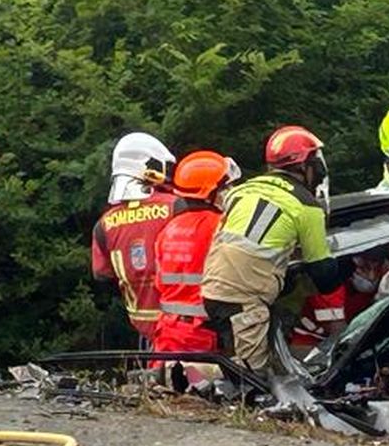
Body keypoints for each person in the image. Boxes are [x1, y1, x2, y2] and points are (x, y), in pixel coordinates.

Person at [200, 125, 350, 385]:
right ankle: (172, 374)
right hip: (245, 301)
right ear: (304, 166)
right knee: (250, 377)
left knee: (238, 363)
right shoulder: (306, 206)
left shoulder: (244, 190)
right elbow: (324, 276)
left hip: (213, 290)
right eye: (315, 160)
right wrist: (349, 265)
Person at [152, 151, 241, 384]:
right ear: (210, 191)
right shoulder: (220, 226)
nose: (228, 193)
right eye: (225, 187)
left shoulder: (169, 229)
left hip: (167, 334)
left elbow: (160, 284)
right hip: (201, 337)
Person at [91, 132, 179, 343]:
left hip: (144, 329)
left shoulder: (104, 224)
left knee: (154, 375)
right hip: (185, 322)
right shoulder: (177, 206)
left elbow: (101, 274)